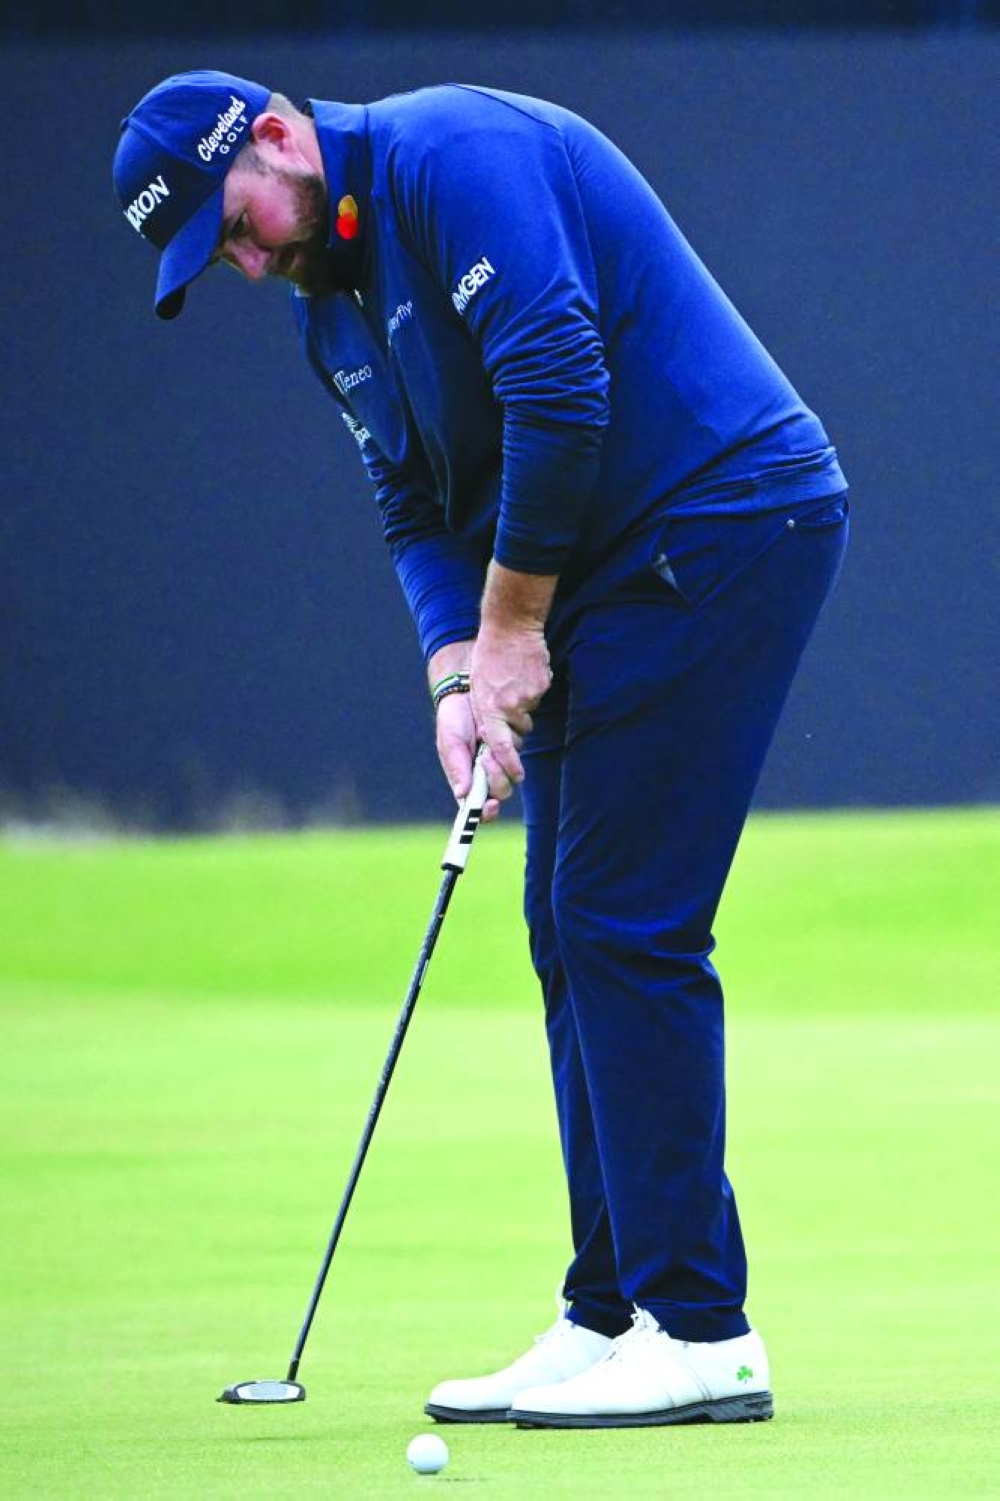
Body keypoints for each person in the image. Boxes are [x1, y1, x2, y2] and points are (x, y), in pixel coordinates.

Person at [114, 69, 848, 1429]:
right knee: (565, 924)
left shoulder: (453, 157)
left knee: (624, 919)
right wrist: (458, 668)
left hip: (725, 517)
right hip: (603, 569)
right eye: (219, 254)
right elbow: (412, 503)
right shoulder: (329, 318)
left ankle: (703, 1328)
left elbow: (560, 381)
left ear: (276, 134)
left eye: (234, 224)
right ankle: (611, 1306)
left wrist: (513, 623)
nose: (245, 257)